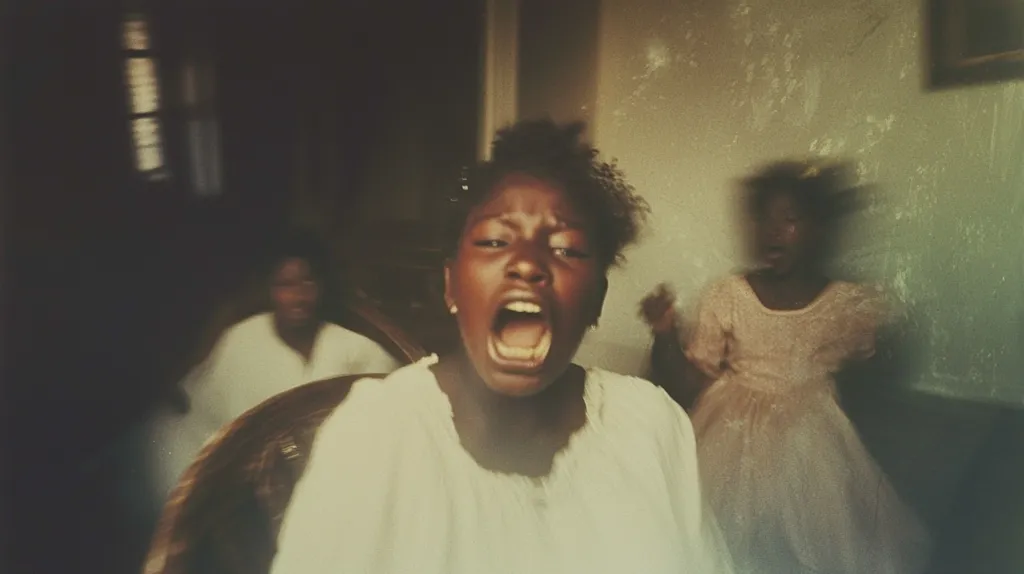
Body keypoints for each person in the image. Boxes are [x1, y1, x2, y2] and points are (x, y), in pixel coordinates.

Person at [270, 120, 735, 574]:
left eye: (567, 248)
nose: (528, 265)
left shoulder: (651, 426)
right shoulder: (376, 437)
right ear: (451, 287)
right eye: (495, 240)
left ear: (597, 300)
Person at [640, 160, 931, 574]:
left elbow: (875, 375)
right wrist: (666, 331)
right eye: (762, 219)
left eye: (790, 219)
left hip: (811, 440)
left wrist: (884, 350)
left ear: (818, 232)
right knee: (713, 540)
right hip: (729, 434)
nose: (772, 230)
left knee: (814, 545)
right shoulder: (730, 293)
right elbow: (689, 382)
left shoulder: (845, 303)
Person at [108, 229, 402, 541]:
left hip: (316, 468)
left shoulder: (349, 345)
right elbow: (208, 398)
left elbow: (395, 385)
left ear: (322, 286)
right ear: (271, 291)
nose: (299, 296)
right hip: (241, 460)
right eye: (285, 285)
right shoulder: (243, 337)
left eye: (308, 283)